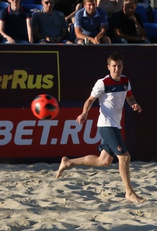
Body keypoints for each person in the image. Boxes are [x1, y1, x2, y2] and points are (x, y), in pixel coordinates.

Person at [57, 53, 144, 204]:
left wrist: (134, 104)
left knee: (104, 161)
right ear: (108, 67)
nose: (117, 69)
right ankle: (129, 193)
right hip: (106, 125)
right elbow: (90, 100)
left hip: (114, 125)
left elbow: (129, 97)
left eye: (119, 66)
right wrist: (84, 112)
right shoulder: (102, 83)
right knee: (124, 157)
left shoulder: (125, 81)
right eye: (114, 66)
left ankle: (68, 162)